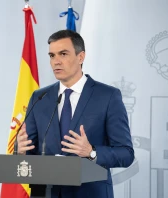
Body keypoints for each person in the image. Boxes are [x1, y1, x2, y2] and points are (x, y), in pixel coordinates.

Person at [16, 29, 134, 198]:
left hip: (89, 193)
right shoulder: (40, 97)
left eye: (63, 54)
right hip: (46, 193)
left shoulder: (107, 96)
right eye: (52, 56)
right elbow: (32, 151)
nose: (56, 61)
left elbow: (126, 154)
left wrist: (91, 152)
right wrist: (20, 152)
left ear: (81, 57)